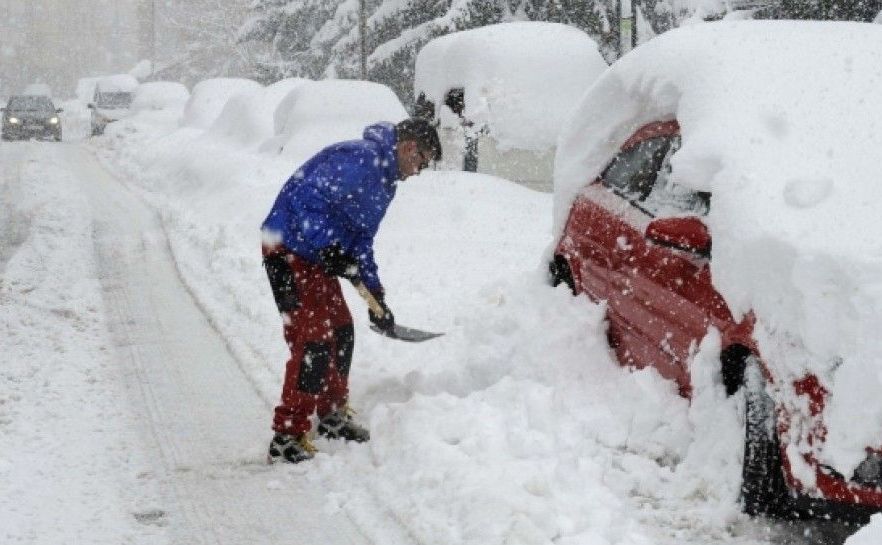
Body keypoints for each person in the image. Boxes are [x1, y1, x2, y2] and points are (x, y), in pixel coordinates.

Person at [261, 118, 442, 464]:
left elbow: (361, 240)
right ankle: (287, 434)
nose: (419, 171)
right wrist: (328, 245)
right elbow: (306, 200)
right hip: (285, 249)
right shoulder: (360, 159)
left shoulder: (385, 183)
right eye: (421, 160)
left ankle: (332, 415)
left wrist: (376, 297)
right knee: (312, 339)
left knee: (340, 330)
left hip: (314, 257)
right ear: (407, 147)